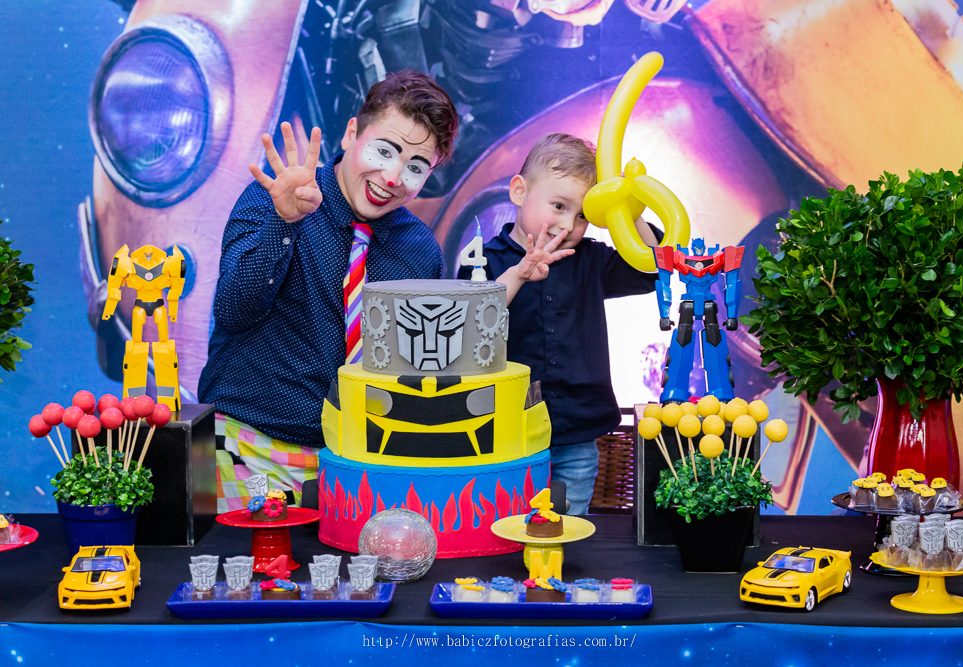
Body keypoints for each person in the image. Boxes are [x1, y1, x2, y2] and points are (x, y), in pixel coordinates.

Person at [199, 71, 459, 511]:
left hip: (362, 468)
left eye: (415, 167)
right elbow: (233, 309)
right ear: (352, 132)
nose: (392, 177)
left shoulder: (419, 250)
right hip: (249, 449)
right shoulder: (271, 199)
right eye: (384, 151)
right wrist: (284, 222)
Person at [458, 133, 659, 515]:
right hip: (506, 431)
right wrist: (519, 274)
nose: (568, 224)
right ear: (519, 191)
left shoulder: (591, 258)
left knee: (567, 528)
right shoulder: (483, 259)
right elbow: (470, 323)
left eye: (582, 215)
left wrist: (628, 209)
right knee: (508, 524)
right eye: (559, 206)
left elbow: (651, 267)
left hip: (577, 432)